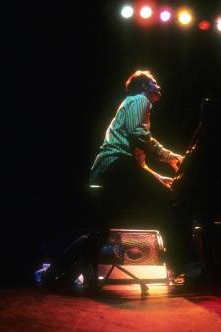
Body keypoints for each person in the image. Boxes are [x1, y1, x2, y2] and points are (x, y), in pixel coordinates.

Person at [46, 70, 186, 288]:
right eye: (153, 82)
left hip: (109, 168)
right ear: (143, 87)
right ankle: (183, 267)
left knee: (100, 232)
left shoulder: (132, 104)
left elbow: (139, 164)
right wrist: (169, 157)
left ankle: (56, 272)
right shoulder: (140, 100)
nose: (158, 85)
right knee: (172, 200)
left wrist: (160, 178)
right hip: (116, 166)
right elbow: (138, 133)